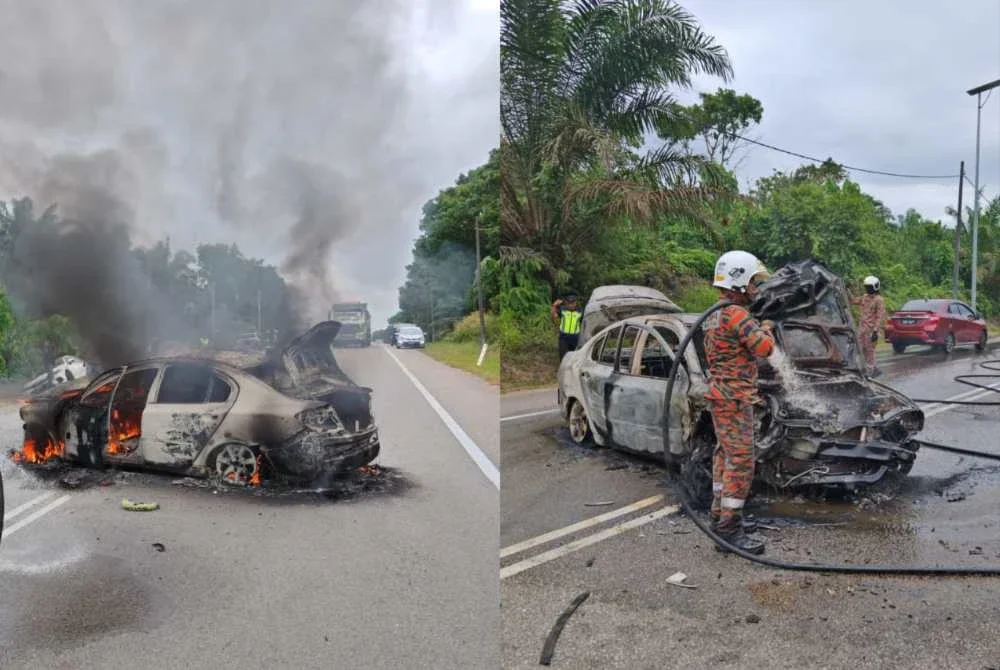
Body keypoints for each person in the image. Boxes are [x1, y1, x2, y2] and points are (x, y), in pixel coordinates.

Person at [702, 250, 776, 555]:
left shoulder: (714, 313)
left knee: (724, 456)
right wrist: (766, 327)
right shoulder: (737, 314)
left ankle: (720, 515)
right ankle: (729, 532)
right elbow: (765, 349)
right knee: (742, 462)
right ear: (739, 281)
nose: (756, 289)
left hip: (720, 396)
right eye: (753, 282)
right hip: (734, 399)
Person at [849, 275, 886, 377]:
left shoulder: (879, 300)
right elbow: (853, 301)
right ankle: (863, 369)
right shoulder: (865, 297)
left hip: (871, 330)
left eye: (869, 287)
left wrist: (875, 331)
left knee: (869, 350)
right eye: (867, 287)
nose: (868, 289)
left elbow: (880, 316)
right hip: (861, 329)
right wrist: (847, 290)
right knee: (859, 348)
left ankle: (871, 370)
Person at [551, 293, 583, 361]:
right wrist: (554, 305)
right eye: (569, 303)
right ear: (566, 303)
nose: (571, 305)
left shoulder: (580, 311)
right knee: (563, 357)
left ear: (575, 302)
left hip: (575, 338)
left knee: (574, 358)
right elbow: (554, 316)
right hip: (563, 337)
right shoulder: (563, 309)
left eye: (573, 303)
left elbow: (584, 323)